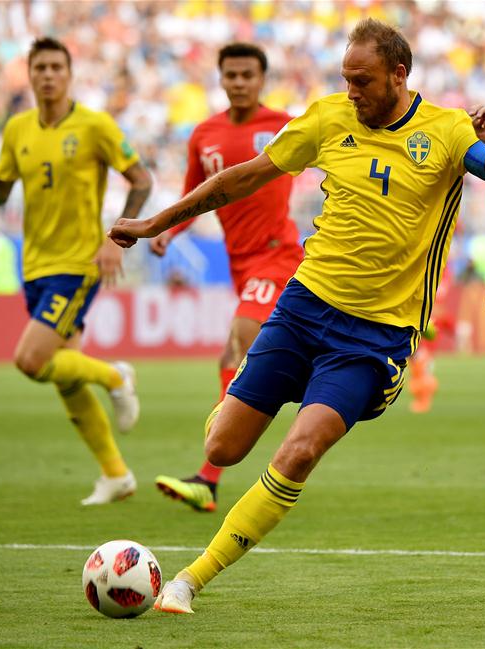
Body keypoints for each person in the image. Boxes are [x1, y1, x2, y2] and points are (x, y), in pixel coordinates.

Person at [110, 18, 485, 614]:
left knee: (300, 451)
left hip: (375, 337)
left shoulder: (445, 130)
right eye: (346, 79)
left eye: (363, 81)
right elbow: (246, 177)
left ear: (399, 74)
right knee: (224, 447)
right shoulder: (328, 116)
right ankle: (254, 397)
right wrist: (158, 222)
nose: (352, 91)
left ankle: (189, 580)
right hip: (304, 306)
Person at [0, 37, 152, 505]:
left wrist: (117, 236)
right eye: (41, 67)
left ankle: (117, 376)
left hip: (77, 263)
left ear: (69, 74)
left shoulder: (94, 125)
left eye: (57, 66)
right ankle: (116, 474)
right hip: (34, 265)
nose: (49, 75)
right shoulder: (17, 129)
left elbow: (141, 178)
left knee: (30, 360)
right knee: (63, 375)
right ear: (30, 74)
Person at [151, 43, 302, 513]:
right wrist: (168, 233)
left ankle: (209, 476)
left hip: (278, 255)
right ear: (220, 79)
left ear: (261, 79)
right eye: (231, 75)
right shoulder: (205, 134)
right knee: (231, 354)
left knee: (239, 342)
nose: (239, 82)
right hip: (240, 262)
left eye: (247, 75)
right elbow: (194, 196)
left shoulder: (284, 126)